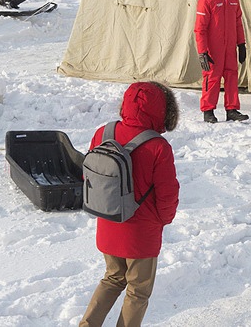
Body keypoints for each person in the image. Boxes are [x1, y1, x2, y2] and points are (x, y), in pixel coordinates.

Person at [80, 81, 180, 327]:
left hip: (108, 222)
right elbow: (168, 193)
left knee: (112, 278)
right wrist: (163, 220)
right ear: (162, 110)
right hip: (141, 233)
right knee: (138, 291)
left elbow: (89, 177)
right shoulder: (158, 146)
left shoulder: (102, 133)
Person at [194, 0, 249, 123]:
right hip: (213, 49)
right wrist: (202, 51)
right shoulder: (206, 0)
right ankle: (208, 111)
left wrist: (241, 44)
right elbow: (200, 29)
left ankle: (232, 109)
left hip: (230, 48)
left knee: (232, 76)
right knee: (212, 78)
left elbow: (238, 23)